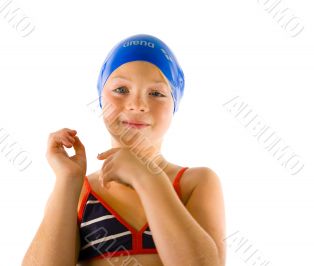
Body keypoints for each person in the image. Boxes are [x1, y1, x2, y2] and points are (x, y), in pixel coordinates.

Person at [22, 34, 226, 266]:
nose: (137, 104)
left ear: (174, 105)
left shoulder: (195, 183)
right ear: (100, 97)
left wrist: (147, 177)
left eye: (157, 93)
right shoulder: (80, 192)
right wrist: (68, 180)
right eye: (121, 89)